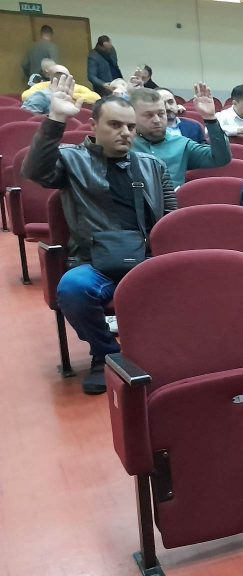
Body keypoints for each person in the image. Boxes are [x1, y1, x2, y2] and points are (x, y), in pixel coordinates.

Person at [22, 75, 176, 395]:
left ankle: (169, 350)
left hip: (148, 259)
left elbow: (172, 220)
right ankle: (106, 353)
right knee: (73, 288)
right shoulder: (72, 159)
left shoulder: (153, 165)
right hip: (96, 262)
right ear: (93, 126)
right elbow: (35, 171)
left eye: (130, 127)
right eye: (115, 125)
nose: (125, 133)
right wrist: (56, 119)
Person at [130, 86, 230, 188]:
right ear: (132, 117)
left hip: (173, 197)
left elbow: (221, 159)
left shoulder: (182, 144)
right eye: (148, 115)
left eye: (161, 114)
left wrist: (210, 119)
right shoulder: (126, 144)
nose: (157, 120)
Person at [21, 64, 101, 115]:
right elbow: (28, 120)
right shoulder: (41, 96)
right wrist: (55, 117)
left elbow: (96, 97)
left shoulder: (69, 96)